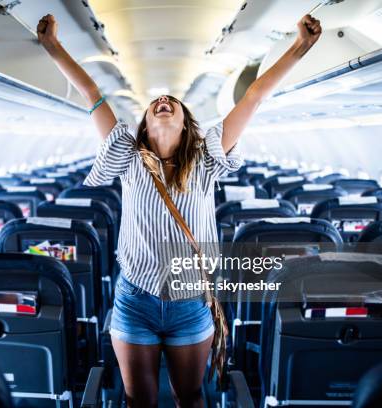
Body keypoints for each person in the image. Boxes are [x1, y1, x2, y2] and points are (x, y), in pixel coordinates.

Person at [37, 13, 322, 408]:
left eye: (171, 102)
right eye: (155, 103)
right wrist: (53, 46)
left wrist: (298, 49)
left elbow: (254, 95)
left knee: (190, 396)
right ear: (143, 125)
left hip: (189, 300)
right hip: (135, 298)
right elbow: (90, 92)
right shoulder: (127, 154)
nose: (163, 101)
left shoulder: (207, 158)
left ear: (188, 122)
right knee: (140, 399)